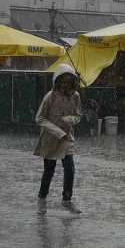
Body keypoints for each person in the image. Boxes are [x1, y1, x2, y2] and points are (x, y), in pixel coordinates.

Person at [34, 64, 82, 214]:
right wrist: (56, 130)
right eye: (63, 82)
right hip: (51, 139)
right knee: (49, 170)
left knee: (70, 168)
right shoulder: (50, 96)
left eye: (69, 83)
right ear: (58, 81)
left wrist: (69, 120)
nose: (66, 85)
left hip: (67, 138)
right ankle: (42, 199)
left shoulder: (75, 97)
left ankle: (67, 200)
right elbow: (40, 118)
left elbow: (78, 115)